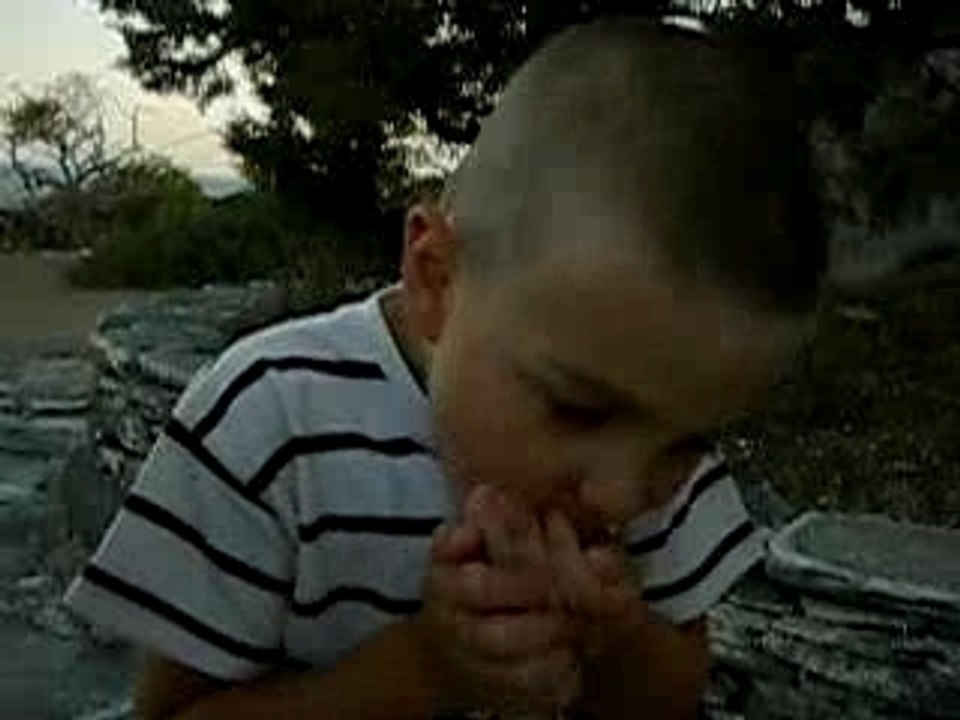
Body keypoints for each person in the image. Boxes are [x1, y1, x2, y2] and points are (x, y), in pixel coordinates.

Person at [63, 15, 827, 720]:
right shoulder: (271, 422)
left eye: (688, 444)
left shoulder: (656, 438)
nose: (625, 494)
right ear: (436, 280)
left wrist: (614, 638)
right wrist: (425, 667)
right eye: (577, 409)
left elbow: (672, 696)